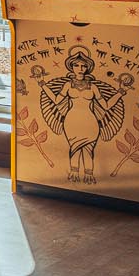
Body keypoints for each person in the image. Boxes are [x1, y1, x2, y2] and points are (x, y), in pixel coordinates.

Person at [38, 46, 124, 185]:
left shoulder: (93, 87)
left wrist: (120, 92)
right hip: (71, 121)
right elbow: (56, 100)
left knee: (89, 150)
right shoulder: (67, 85)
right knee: (74, 148)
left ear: (87, 68)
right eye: (76, 65)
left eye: (83, 66)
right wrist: (43, 84)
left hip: (90, 121)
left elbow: (106, 106)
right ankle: (74, 172)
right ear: (71, 67)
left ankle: (88, 174)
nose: (80, 68)